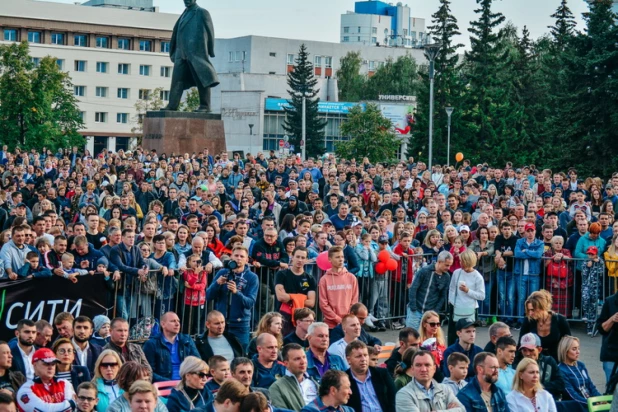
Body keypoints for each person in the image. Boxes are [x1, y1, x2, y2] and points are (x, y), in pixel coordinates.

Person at [206, 246, 259, 351]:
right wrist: (217, 284)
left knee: (241, 355)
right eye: (236, 255)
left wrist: (236, 292)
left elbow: (250, 303)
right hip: (221, 324)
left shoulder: (252, 277)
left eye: (242, 256)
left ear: (247, 259)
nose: (238, 258)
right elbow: (208, 296)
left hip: (240, 324)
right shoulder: (222, 273)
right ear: (231, 257)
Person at [395, 350, 465, 411]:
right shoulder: (404, 394)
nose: (423, 369)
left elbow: (462, 410)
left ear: (434, 368)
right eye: (418, 365)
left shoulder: (445, 389)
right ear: (412, 369)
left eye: (427, 365)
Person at [142, 311, 200, 382]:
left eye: (178, 321)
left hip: (187, 382)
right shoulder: (152, 344)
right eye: (173, 321)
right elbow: (149, 371)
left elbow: (198, 363)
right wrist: (169, 382)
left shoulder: (187, 340)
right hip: (165, 384)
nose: (177, 324)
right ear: (163, 324)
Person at [16, 348, 77, 412]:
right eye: (46, 363)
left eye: (53, 363)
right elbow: (44, 410)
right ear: (35, 365)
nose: (51, 367)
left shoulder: (65, 383)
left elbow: (72, 410)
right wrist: (71, 404)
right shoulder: (25, 390)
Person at [274, 247, 316, 337]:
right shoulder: (282, 274)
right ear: (292, 257)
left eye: (303, 257)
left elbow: (311, 302)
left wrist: (290, 297)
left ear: (307, 260)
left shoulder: (310, 279)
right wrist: (302, 297)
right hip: (284, 316)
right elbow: (281, 297)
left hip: (303, 319)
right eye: (297, 257)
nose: (300, 260)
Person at [518, 290, 570, 362]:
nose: (530, 313)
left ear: (542, 307)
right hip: (534, 360)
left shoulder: (560, 320)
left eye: (533, 310)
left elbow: (569, 344)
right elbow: (520, 343)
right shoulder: (528, 321)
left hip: (557, 361)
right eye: (529, 310)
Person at [345, 341, 396, 412]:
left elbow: (393, 399)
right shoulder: (344, 380)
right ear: (348, 360)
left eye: (365, 355)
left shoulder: (382, 374)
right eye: (358, 356)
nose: (363, 359)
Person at [407, 251, 453, 329]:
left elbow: (443, 296)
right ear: (439, 262)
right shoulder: (424, 271)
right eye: (446, 265)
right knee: (412, 336)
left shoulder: (446, 277)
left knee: (428, 339)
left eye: (450, 265)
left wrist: (435, 311)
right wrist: (413, 307)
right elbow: (413, 288)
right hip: (416, 310)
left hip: (430, 313)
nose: (448, 268)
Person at [447, 250, 485, 346]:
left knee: (468, 336)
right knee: (453, 335)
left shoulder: (477, 277)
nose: (460, 263)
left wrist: (468, 291)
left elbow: (482, 296)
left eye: (462, 261)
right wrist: (451, 301)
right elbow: (451, 288)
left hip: (470, 309)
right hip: (456, 307)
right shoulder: (456, 273)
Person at [318, 246, 359, 329]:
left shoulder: (352, 278)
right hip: (331, 325)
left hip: (348, 323)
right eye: (337, 257)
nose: (341, 259)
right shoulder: (324, 280)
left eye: (342, 257)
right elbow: (323, 304)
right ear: (330, 259)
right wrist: (338, 319)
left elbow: (354, 301)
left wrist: (347, 318)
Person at [269, 343, 319, 411]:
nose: (303, 362)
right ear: (286, 363)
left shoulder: (315, 383)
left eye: (304, 357)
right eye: (297, 359)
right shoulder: (277, 388)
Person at [518, 333, 566, 402]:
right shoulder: (519, 365)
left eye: (531, 350)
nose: (527, 353)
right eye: (524, 350)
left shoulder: (549, 361)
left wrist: (538, 387)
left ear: (539, 349)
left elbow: (561, 384)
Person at [557, 335, 600, 406]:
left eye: (578, 348)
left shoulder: (581, 365)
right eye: (574, 349)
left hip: (589, 401)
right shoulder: (561, 370)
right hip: (576, 406)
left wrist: (602, 400)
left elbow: (591, 386)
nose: (578, 352)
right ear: (565, 351)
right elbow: (572, 395)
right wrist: (592, 403)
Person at [513, 223, 545, 318]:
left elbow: (538, 255)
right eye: (528, 231)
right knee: (521, 298)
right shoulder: (519, 242)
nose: (530, 233)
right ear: (525, 232)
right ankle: (520, 320)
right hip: (521, 274)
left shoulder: (540, 243)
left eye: (532, 231)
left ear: (535, 231)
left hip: (534, 274)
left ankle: (533, 319)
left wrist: (526, 251)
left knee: (533, 299)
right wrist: (532, 254)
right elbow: (517, 254)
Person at [596, 289, 618, 384]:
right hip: (612, 354)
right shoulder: (610, 301)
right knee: (612, 389)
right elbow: (601, 329)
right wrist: (612, 319)